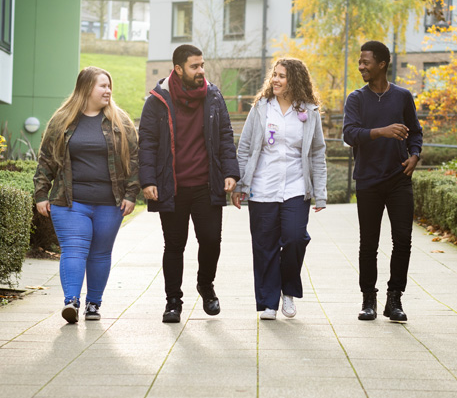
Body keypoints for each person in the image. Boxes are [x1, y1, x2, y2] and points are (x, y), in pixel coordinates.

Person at [138, 44, 240, 323]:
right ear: (179, 69)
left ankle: (205, 286)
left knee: (211, 240)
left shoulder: (214, 96)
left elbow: (225, 137)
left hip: (207, 185)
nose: (201, 71)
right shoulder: (157, 101)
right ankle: (173, 302)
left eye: (202, 65)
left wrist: (230, 172)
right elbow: (146, 144)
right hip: (172, 187)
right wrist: (147, 180)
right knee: (174, 245)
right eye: (195, 66)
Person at [34, 66, 140, 324]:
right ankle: (71, 301)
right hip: (70, 201)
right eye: (102, 86)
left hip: (110, 203)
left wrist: (130, 194)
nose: (108, 90)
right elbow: (46, 159)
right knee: (73, 249)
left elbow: (135, 159)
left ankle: (94, 304)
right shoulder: (62, 120)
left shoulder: (120, 121)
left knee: (101, 254)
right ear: (86, 88)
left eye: (109, 86)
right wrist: (40, 194)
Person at [232, 58, 327, 320]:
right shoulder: (261, 108)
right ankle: (267, 302)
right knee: (264, 245)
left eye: (282, 76)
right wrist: (240, 185)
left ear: (294, 80)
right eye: (274, 75)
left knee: (296, 238)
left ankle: (288, 289)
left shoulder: (309, 112)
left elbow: (318, 152)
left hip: (296, 186)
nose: (275, 80)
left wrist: (321, 192)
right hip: (262, 186)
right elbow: (245, 147)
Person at [343, 41, 423, 322]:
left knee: (403, 239)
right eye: (360, 61)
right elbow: (350, 134)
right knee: (369, 243)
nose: (361, 66)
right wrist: (382, 132)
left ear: (382, 64)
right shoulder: (356, 98)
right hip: (368, 180)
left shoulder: (402, 96)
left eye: (366, 62)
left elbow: (415, 132)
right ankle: (368, 300)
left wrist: (415, 155)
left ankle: (394, 299)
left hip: (399, 178)